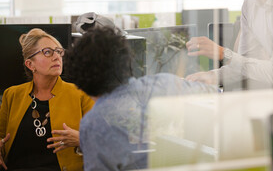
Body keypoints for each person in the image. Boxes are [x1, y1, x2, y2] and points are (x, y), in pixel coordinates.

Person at [64, 27, 218, 171]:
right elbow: (221, 97)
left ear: (80, 78)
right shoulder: (165, 83)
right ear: (127, 60)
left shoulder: (94, 124)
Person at [0, 28, 94, 171]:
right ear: (30, 65)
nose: (57, 57)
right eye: (48, 52)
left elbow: (107, 143)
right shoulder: (11, 95)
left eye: (59, 51)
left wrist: (82, 139)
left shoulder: (81, 94)